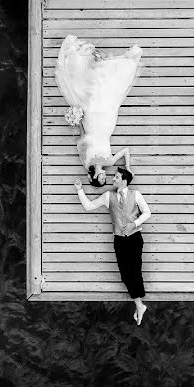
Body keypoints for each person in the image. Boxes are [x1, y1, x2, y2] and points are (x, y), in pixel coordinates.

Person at [55, 34, 142, 176]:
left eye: (101, 179)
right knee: (108, 97)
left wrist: (78, 120)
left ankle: (95, 65)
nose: (104, 177)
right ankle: (99, 65)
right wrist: (128, 167)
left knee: (93, 98)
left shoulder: (87, 162)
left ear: (94, 177)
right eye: (104, 179)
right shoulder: (109, 162)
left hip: (91, 125)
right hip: (107, 127)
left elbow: (82, 139)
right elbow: (125, 151)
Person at [75, 167, 151, 324]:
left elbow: (147, 212)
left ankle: (140, 306)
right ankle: (139, 305)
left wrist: (134, 224)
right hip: (119, 240)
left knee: (135, 271)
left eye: (116, 177)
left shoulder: (135, 194)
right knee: (125, 274)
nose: (113, 179)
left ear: (123, 181)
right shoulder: (108, 196)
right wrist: (80, 190)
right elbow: (88, 206)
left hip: (135, 237)